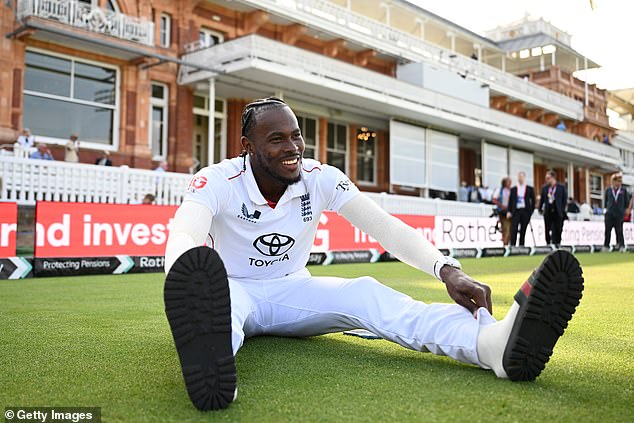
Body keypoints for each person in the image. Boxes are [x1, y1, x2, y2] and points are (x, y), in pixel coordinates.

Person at [163, 97, 584, 411]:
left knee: (366, 293)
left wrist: (446, 268)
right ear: (247, 146)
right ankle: (216, 378)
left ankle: (492, 346)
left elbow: (384, 227)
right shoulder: (216, 180)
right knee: (221, 319)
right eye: (276, 139)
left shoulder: (320, 177)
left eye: (296, 135)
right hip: (230, 289)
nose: (293, 147)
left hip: (292, 290)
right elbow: (185, 231)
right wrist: (182, 274)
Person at [539, 170, 567, 246]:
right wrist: (540, 209)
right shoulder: (544, 188)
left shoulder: (561, 187)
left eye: (548, 178)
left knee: (558, 228)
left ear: (553, 178)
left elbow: (564, 200)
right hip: (548, 211)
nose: (547, 180)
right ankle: (548, 243)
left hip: (557, 211)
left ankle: (557, 243)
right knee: (547, 228)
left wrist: (562, 210)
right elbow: (542, 199)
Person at [508, 171, 536, 247]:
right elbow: (510, 201)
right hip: (516, 211)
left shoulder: (529, 189)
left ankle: (521, 246)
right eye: (519, 177)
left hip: (525, 211)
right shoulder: (514, 189)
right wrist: (509, 211)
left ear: (524, 178)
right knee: (514, 228)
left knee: (523, 230)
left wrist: (531, 211)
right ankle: (513, 245)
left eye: (522, 177)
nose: (520, 179)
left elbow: (533, 201)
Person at [603, 174, 630, 250]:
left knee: (619, 230)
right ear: (613, 181)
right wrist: (606, 210)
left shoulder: (623, 190)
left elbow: (627, 202)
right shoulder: (608, 190)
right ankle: (606, 246)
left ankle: (621, 245)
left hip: (619, 214)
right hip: (609, 213)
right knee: (607, 230)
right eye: (616, 181)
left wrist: (625, 210)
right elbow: (606, 201)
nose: (618, 183)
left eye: (619, 181)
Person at [492, 177, 512, 245]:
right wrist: (501, 206)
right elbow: (494, 199)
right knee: (506, 228)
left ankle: (507, 242)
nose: (509, 183)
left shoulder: (511, 190)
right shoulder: (499, 190)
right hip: (502, 211)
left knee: (510, 229)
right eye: (508, 182)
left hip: (510, 211)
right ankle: (505, 244)